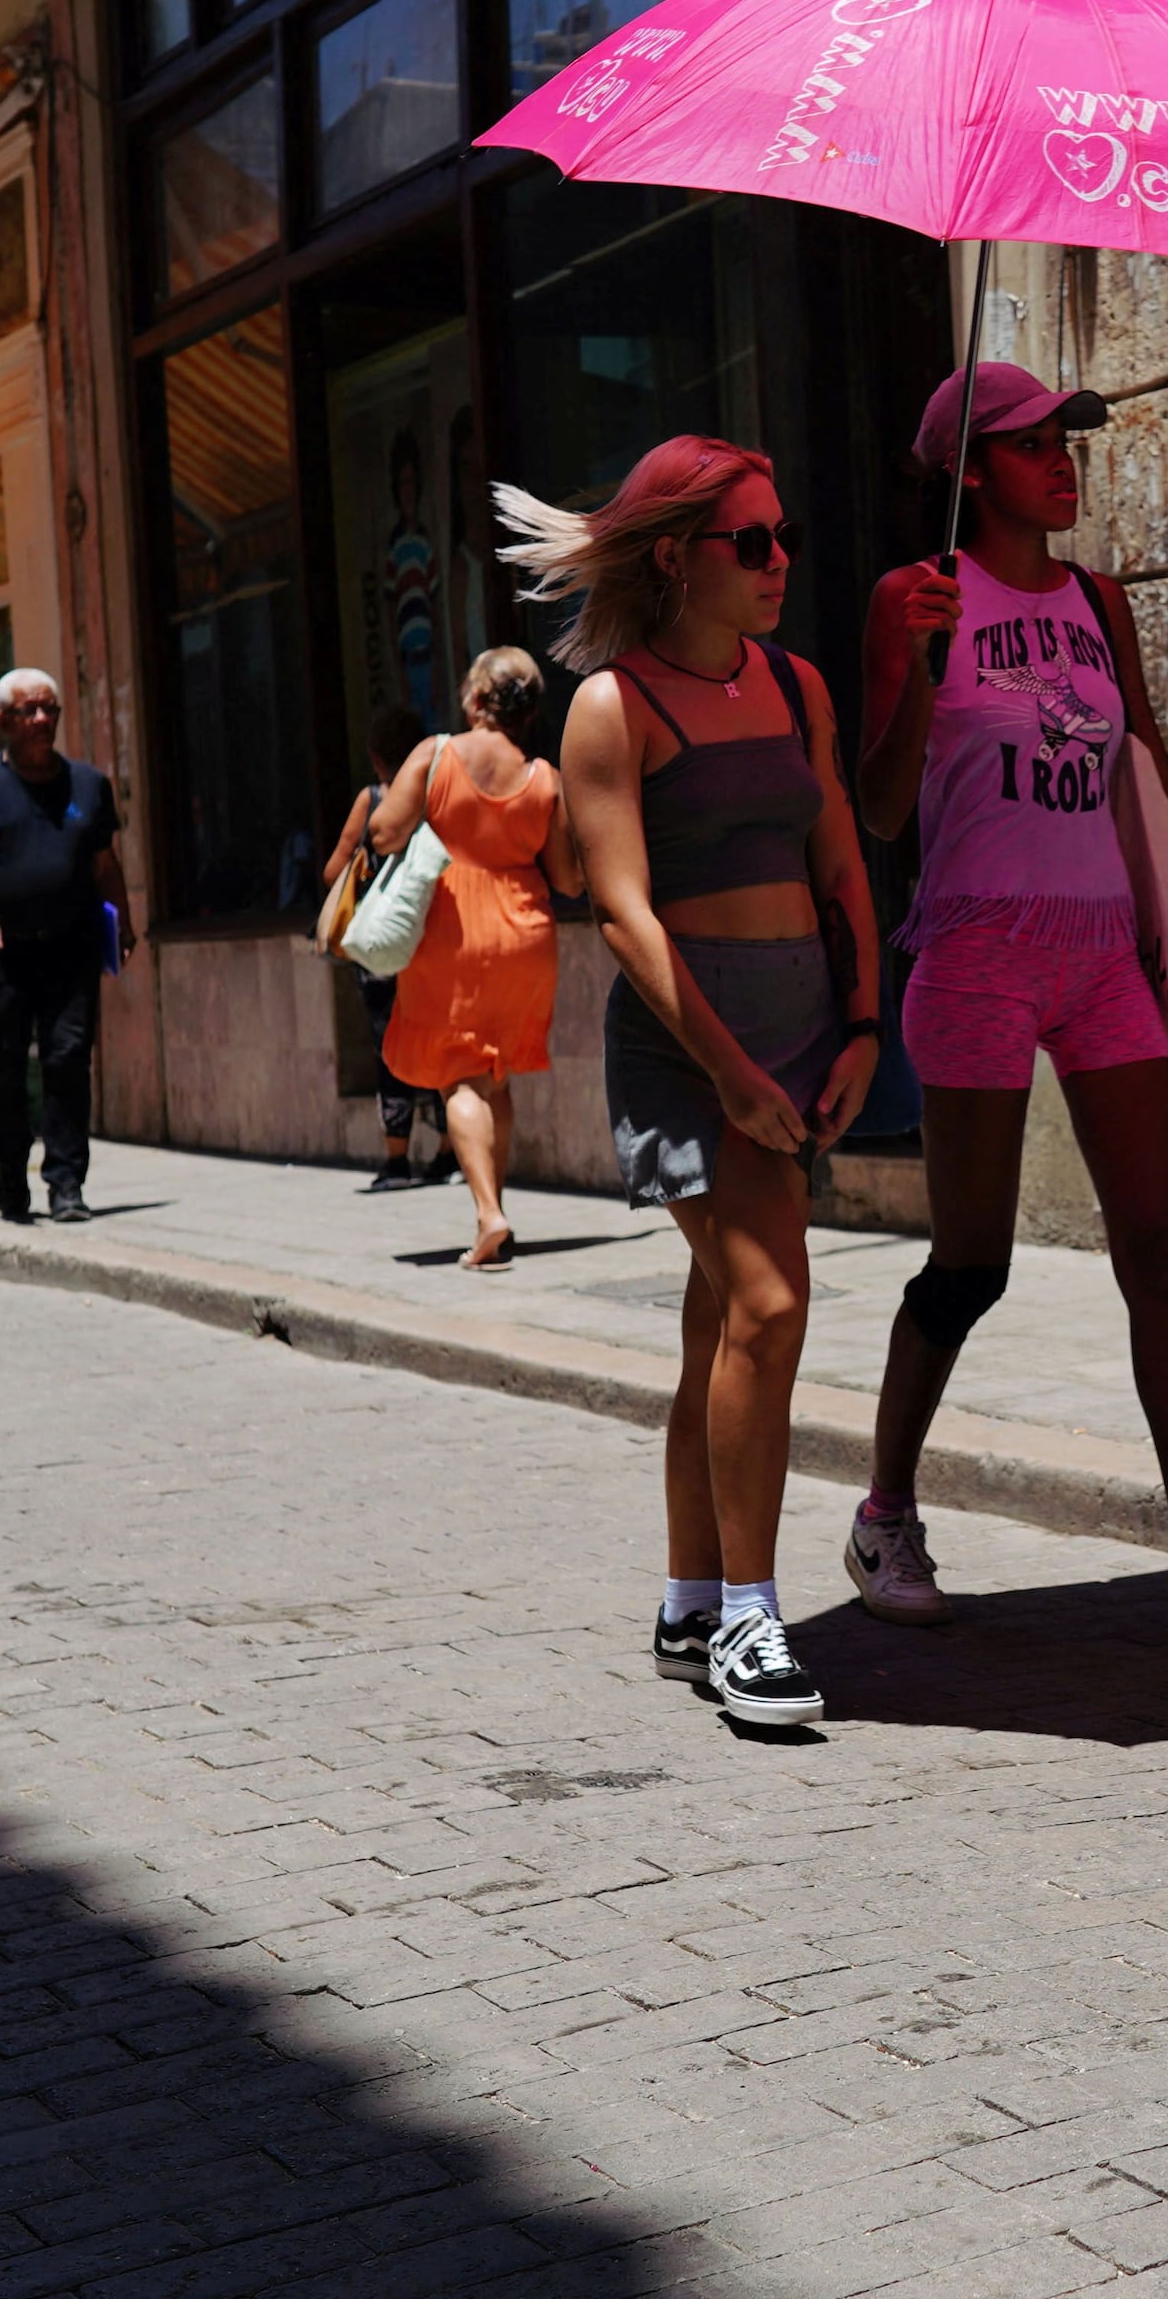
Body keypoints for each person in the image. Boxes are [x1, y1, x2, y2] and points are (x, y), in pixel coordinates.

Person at [848, 363, 1168, 1664]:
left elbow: (1152, 792)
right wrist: (918, 657)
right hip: (973, 949)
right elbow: (884, 808)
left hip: (1102, 951)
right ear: (970, 469)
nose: (1064, 460)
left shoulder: (1100, 601)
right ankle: (887, 1511)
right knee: (974, 1260)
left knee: (1159, 1251)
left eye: (1069, 438)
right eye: (1032, 443)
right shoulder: (911, 597)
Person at [528, 436, 881, 1735]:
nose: (781, 559)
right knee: (772, 1307)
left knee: (718, 1323)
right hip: (690, 1045)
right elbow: (621, 914)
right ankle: (748, 1615)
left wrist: (861, 1027)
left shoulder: (796, 685)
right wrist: (731, 1074)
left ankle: (688, 1597)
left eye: (784, 535)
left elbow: (843, 864)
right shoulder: (613, 706)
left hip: (801, 1030)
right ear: (679, 554)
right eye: (754, 540)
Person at [370, 647, 569, 1272]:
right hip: (526, 930)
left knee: (460, 1075)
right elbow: (568, 876)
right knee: (497, 1073)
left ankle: (488, 1214)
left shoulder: (436, 754)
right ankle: (496, 1211)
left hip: (455, 927)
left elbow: (383, 831)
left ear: (477, 698)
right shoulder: (544, 776)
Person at [0, 665, 123, 1225]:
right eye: (29, 711)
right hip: (4, 956)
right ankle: (10, 1171)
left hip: (71, 948)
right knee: (3, 1070)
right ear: (3, 721)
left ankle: (66, 1183)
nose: (43, 720)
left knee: (69, 1061)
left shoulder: (89, 785)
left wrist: (125, 921)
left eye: (50, 710)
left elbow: (103, 862)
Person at [316, 709, 442, 1191]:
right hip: (433, 935)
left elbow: (333, 872)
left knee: (390, 1043)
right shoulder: (438, 794)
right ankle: (450, 1151)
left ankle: (396, 1159)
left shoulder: (373, 800)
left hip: (384, 941)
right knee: (438, 1037)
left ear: (375, 758)